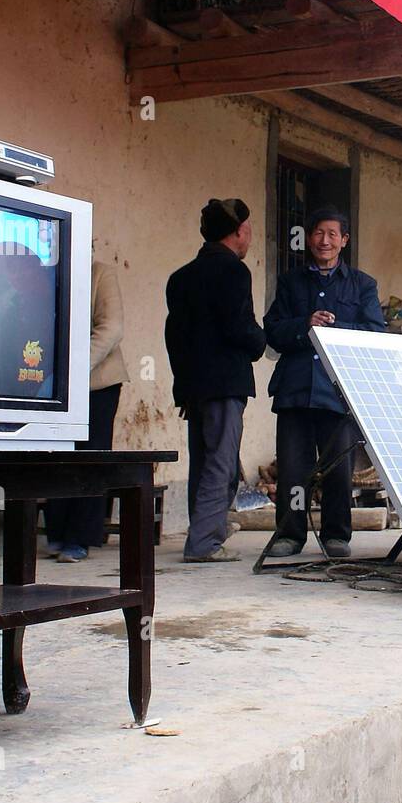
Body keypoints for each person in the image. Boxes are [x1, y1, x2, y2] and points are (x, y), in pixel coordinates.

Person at [263, 205, 385, 558]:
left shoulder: (363, 285)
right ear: (308, 238)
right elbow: (272, 331)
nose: (325, 241)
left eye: (333, 234)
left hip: (337, 391)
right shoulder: (291, 283)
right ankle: (289, 534)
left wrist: (336, 331)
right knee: (292, 468)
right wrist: (306, 324)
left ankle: (336, 535)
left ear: (344, 241)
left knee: (337, 469)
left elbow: (374, 334)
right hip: (295, 391)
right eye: (318, 233)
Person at [165, 198, 266, 564]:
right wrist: (261, 341)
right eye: (249, 230)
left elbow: (173, 337)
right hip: (225, 384)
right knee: (220, 463)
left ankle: (208, 530)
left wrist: (183, 384)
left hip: (194, 385)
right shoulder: (234, 273)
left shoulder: (180, 278)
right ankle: (204, 542)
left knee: (206, 460)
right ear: (239, 232)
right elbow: (239, 327)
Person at [45, 258, 129, 563]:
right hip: (53, 384)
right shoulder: (46, 275)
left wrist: (76, 368)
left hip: (97, 382)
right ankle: (56, 532)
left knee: (91, 457)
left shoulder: (100, 273)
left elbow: (112, 328)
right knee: (54, 457)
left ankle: (79, 537)